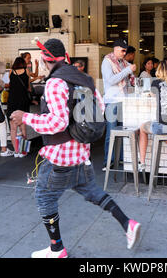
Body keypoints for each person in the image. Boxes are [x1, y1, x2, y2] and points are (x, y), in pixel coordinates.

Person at [10, 38, 141, 258]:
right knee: (92, 192)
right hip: (81, 152)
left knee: (44, 197)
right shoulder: (85, 79)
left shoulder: (55, 83)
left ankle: (57, 249)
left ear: (44, 60)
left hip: (59, 156)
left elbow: (57, 123)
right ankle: (128, 224)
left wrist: (27, 117)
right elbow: (100, 109)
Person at [101, 39, 136, 171]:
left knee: (122, 131)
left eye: (125, 50)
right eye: (122, 50)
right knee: (111, 133)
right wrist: (127, 71)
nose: (124, 53)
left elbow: (128, 79)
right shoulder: (107, 62)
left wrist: (130, 72)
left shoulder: (122, 62)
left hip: (123, 100)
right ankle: (107, 161)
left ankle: (120, 158)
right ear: (115, 49)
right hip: (112, 101)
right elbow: (111, 80)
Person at [6, 57, 32, 158]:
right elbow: (28, 87)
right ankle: (23, 151)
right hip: (23, 101)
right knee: (23, 128)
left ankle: (16, 151)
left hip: (12, 101)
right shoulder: (26, 71)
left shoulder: (11, 72)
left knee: (13, 129)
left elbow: (11, 84)